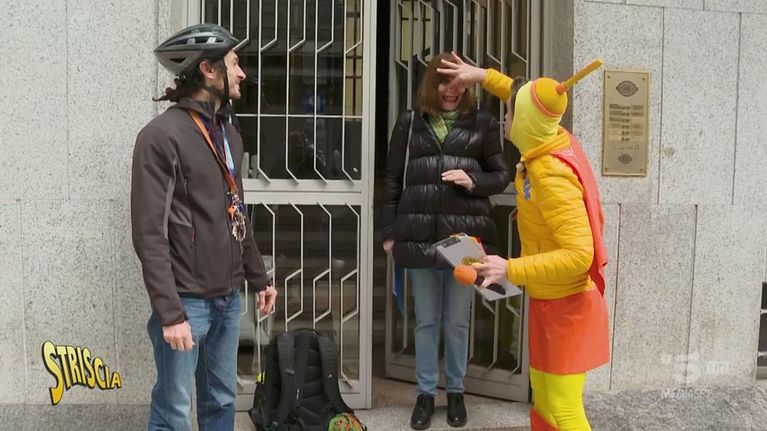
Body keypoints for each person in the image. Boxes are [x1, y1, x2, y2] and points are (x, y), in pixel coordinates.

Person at [438, 54, 610, 431]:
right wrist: (483, 76)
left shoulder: (550, 174)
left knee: (564, 409)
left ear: (526, 122)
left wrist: (510, 268)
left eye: (510, 113)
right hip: (551, 301)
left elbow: (580, 254)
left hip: (568, 308)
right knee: (546, 404)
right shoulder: (550, 141)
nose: (505, 118)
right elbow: (524, 98)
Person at [131, 24, 278, 431]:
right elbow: (148, 234)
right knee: (174, 410)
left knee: (221, 400)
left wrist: (259, 277)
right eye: (235, 63)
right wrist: (170, 312)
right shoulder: (160, 137)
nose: (243, 73)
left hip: (227, 298)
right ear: (208, 70)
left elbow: (237, 211)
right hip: (186, 301)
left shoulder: (228, 133)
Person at [381, 52, 512, 430]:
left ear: (468, 86)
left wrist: (473, 181)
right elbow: (392, 181)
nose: (451, 90)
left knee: (457, 321)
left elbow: (501, 175)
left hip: (464, 240)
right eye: (444, 82)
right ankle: (425, 394)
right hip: (418, 236)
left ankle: (455, 392)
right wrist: (389, 232)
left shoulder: (483, 123)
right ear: (431, 84)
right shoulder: (410, 122)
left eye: (459, 83)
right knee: (426, 321)